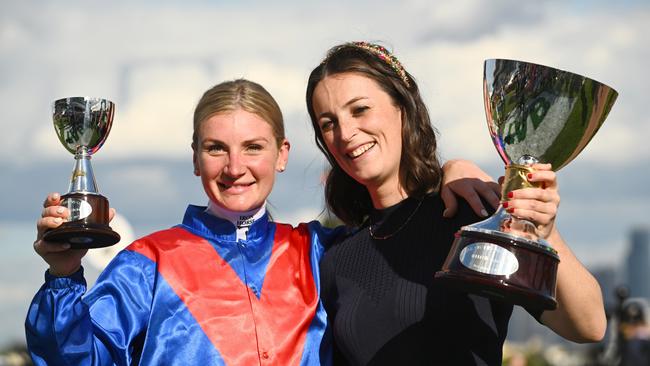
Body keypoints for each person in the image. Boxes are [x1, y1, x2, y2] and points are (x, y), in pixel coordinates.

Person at [26, 79, 498, 365]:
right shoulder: (147, 263)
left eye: (253, 147)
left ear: (282, 154)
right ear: (195, 159)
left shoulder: (324, 251)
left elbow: (403, 235)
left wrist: (455, 170)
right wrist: (65, 274)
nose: (235, 167)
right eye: (216, 148)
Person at [306, 41, 606, 365]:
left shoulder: (471, 218)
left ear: (402, 107)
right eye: (328, 123)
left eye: (360, 109)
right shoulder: (334, 260)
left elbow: (589, 326)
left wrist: (543, 231)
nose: (346, 132)